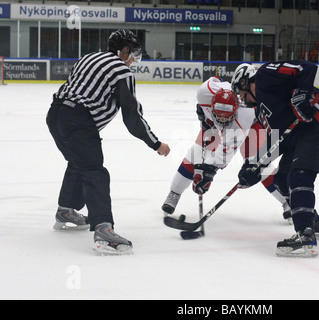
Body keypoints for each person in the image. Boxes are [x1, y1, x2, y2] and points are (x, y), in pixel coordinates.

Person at [46, 29, 170, 255]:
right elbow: (132, 117)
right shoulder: (122, 71)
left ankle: (66, 210)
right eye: (132, 53)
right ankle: (104, 230)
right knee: (95, 171)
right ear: (123, 51)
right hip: (79, 121)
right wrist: (155, 143)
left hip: (55, 115)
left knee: (79, 162)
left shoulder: (88, 57)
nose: (133, 58)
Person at [231, 61, 319, 258]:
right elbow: (277, 140)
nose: (242, 98)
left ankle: (304, 236)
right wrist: (253, 165)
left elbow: (306, 67)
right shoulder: (262, 111)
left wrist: (300, 94)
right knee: (281, 180)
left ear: (248, 83)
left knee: (299, 175)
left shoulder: (267, 75)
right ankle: (311, 219)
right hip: (301, 133)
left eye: (241, 92)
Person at [162, 77, 291, 222]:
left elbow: (222, 157)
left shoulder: (240, 120)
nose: (222, 120)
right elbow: (215, 79)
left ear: (235, 110)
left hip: (254, 124)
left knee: (257, 164)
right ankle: (174, 193)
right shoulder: (205, 92)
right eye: (219, 116)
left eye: (226, 117)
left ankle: (287, 201)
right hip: (218, 123)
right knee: (195, 153)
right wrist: (205, 116)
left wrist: (207, 173)